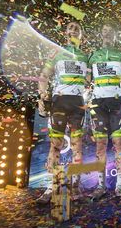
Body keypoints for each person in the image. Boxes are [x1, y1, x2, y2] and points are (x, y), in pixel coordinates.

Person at [37, 22, 88, 203]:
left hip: (78, 105)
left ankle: (75, 188)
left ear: (82, 35)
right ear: (65, 33)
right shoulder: (57, 52)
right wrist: (42, 94)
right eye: (70, 28)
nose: (73, 31)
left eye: (77, 29)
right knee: (55, 145)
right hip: (59, 102)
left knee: (77, 146)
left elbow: (91, 79)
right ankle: (53, 188)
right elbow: (44, 76)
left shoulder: (85, 56)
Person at [88, 21, 121, 199]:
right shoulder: (92, 56)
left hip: (117, 104)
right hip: (97, 104)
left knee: (118, 144)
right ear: (101, 34)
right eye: (104, 31)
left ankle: (119, 186)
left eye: (110, 32)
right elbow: (86, 78)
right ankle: (100, 186)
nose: (107, 34)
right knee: (100, 145)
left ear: (114, 35)